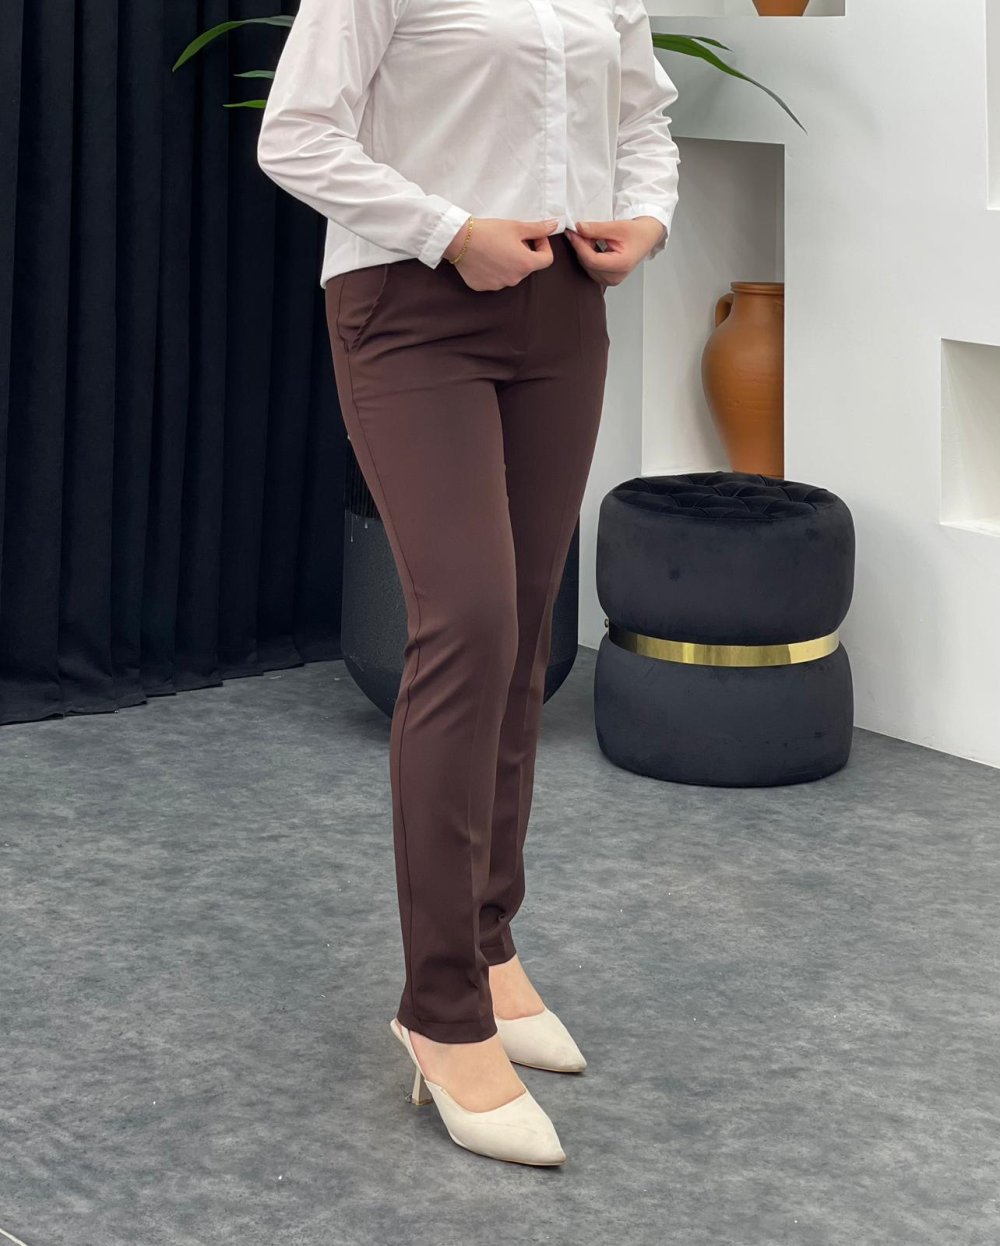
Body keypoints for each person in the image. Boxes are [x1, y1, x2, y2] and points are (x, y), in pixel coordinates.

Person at [257, 0, 680, 1167]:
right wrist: (449, 231)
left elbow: (643, 116)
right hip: (410, 306)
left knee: (522, 629)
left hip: (562, 313)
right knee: (470, 622)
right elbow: (295, 134)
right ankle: (440, 1011)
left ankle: (490, 946)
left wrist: (647, 217)